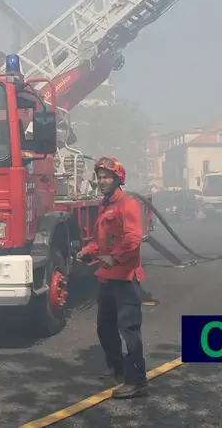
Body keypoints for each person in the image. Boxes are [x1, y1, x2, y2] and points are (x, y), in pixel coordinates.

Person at [76, 156, 148, 399]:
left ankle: (137, 381)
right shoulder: (105, 205)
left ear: (118, 179)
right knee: (105, 327)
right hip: (107, 278)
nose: (101, 180)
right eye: (99, 176)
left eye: (106, 177)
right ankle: (115, 366)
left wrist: (114, 257)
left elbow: (132, 238)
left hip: (125, 278)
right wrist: (89, 251)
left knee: (129, 329)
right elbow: (101, 241)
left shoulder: (128, 204)